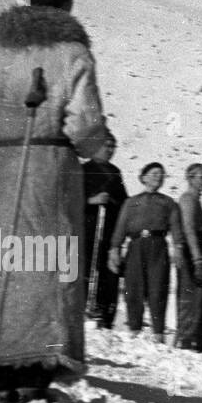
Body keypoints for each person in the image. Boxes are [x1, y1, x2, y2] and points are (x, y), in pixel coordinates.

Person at [0, 0, 109, 403]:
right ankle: (33, 364)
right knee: (43, 261)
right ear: (63, 5)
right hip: (46, 166)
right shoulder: (71, 53)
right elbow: (85, 123)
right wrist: (97, 147)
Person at [108, 163, 184, 341]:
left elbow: (176, 229)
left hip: (158, 246)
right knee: (133, 287)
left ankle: (158, 332)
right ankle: (134, 328)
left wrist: (178, 248)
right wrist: (114, 249)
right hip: (135, 246)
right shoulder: (131, 202)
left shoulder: (168, 203)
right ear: (143, 177)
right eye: (153, 173)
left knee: (158, 287)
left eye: (161, 174)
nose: (158, 177)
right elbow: (120, 228)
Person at [82, 132, 128, 329]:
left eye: (113, 146)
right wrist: (92, 200)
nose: (110, 150)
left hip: (109, 230)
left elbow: (124, 203)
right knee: (85, 269)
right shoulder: (83, 170)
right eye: (106, 145)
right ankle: (83, 309)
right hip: (87, 228)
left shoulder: (115, 172)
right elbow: (68, 198)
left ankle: (104, 315)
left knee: (108, 273)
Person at [175, 163, 202, 351]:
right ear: (190, 178)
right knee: (193, 296)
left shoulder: (196, 200)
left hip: (197, 247)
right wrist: (198, 259)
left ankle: (197, 337)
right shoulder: (188, 199)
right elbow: (188, 229)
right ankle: (188, 338)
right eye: (201, 177)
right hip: (192, 249)